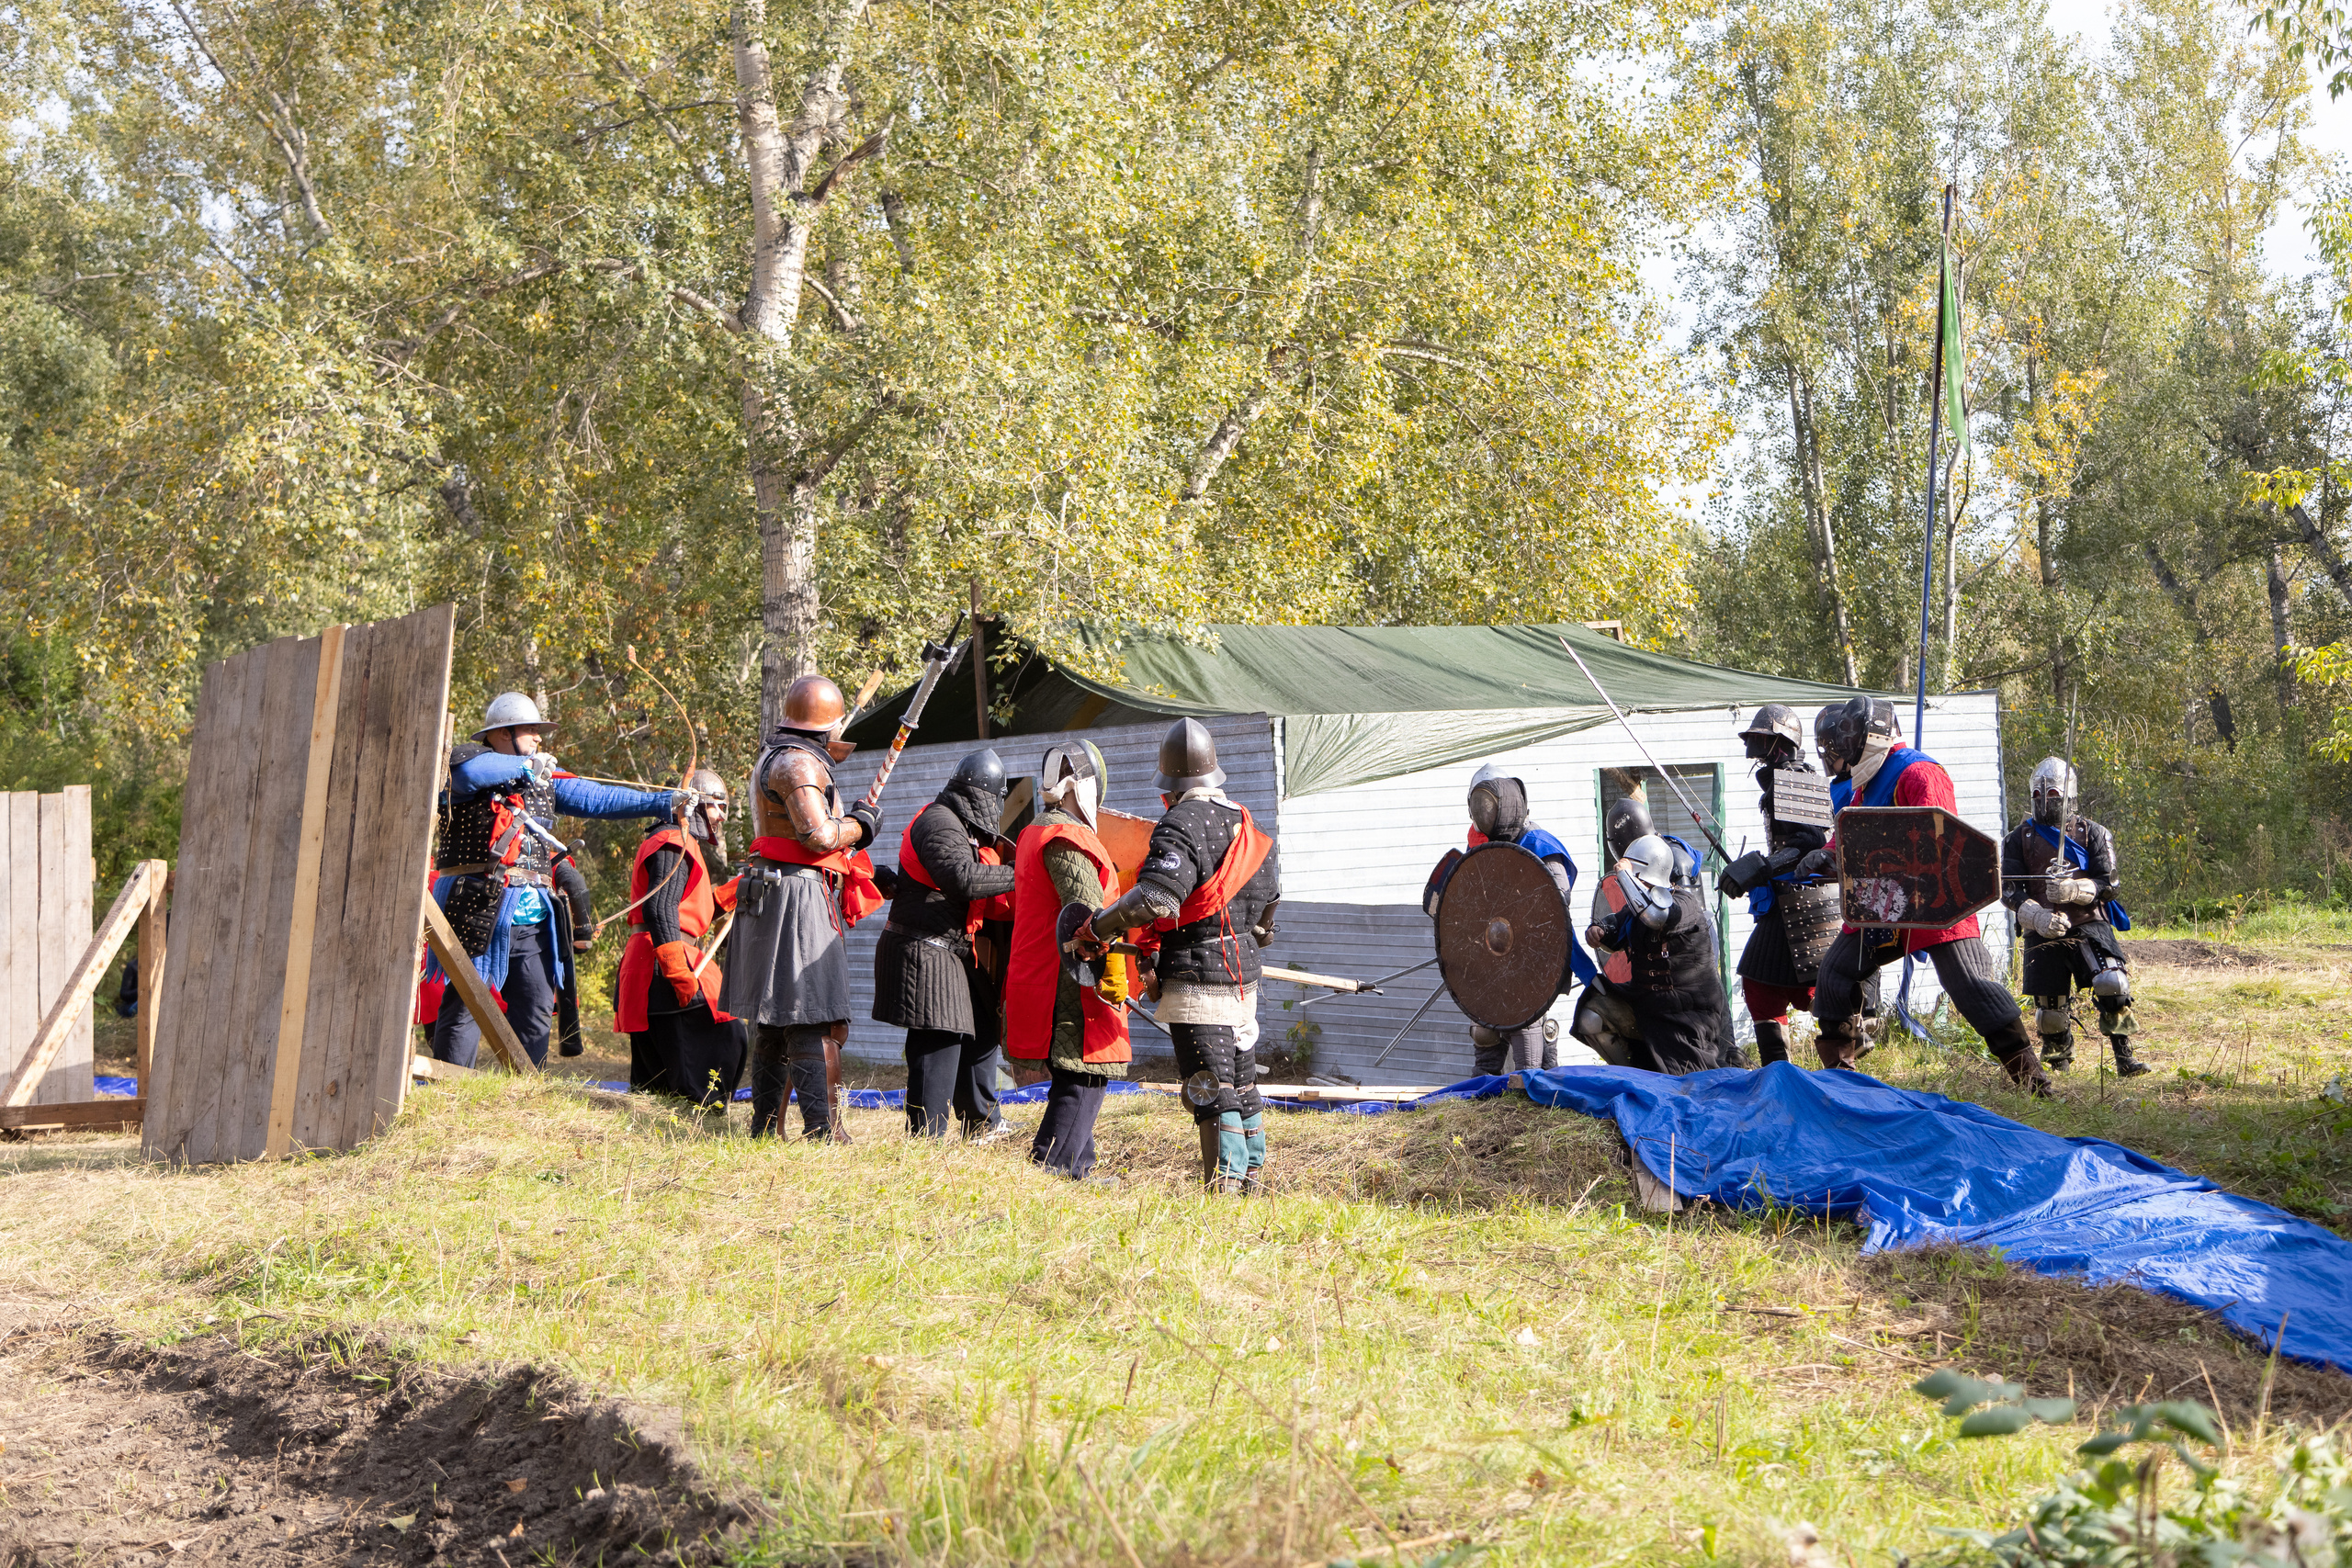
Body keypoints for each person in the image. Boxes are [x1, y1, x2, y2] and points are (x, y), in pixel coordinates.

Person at [1799, 697, 2051, 1094]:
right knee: (1834, 977)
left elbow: (1939, 843)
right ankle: (1842, 1083)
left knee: (1971, 986)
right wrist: (1828, 855)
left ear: (1871, 736)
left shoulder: (1919, 772)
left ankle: (2033, 1080)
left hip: (1936, 900)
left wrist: (1859, 859)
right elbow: (1858, 832)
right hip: (1883, 902)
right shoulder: (1871, 777)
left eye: (1848, 742)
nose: (1842, 753)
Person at [1072, 719, 1282, 1193]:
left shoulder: (1181, 823)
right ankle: (1252, 1180)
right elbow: (1268, 922)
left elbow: (1155, 900)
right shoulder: (1249, 825)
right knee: (1242, 1081)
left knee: (1209, 1083)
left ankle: (1223, 1188)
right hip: (1245, 976)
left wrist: (1098, 927)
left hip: (1197, 977)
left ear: (1170, 786)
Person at [429, 693, 681, 1068]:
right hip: (476, 903)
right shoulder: (466, 763)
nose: (538, 738)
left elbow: (598, 797)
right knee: (466, 1005)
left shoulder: (542, 778)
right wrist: (529, 765)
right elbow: (471, 775)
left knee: (535, 1008)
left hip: (532, 915)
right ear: (502, 734)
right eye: (530, 730)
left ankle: (524, 1096)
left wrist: (666, 802)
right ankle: (447, 1092)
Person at [726, 675, 886, 1142]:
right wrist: (859, 826)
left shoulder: (785, 756)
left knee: (776, 1019)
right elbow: (817, 836)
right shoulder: (797, 765)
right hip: (794, 893)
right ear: (823, 727)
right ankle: (822, 1130)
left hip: (775, 889)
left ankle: (764, 1129)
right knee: (810, 1013)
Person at [875, 748, 1019, 1136]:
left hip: (950, 949)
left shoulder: (957, 824)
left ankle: (982, 1122)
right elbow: (963, 879)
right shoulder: (938, 821)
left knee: (982, 1028)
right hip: (922, 948)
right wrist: (1019, 872)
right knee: (938, 1038)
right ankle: (926, 1137)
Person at [1005, 741, 1131, 1179]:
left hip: (1046, 967)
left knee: (1076, 1067)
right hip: (1070, 971)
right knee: (1086, 1069)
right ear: (1083, 789)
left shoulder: (1034, 830)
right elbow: (1089, 917)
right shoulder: (1066, 837)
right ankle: (1053, 1164)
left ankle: (1079, 1165)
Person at [1447, 762, 1596, 1074]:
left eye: (1488, 804)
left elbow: (1555, 904)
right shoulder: (1481, 843)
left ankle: (1537, 1091)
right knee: (1486, 1027)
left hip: (1535, 956)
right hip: (1493, 952)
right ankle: (1483, 1098)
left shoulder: (1539, 844)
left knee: (1527, 1025)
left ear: (1506, 802)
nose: (1483, 811)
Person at [2002, 758, 2146, 1077]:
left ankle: (2124, 1056)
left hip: (2088, 923)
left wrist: (2075, 890)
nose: (2045, 800)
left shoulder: (2093, 833)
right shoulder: (2017, 839)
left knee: (2113, 983)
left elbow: (2110, 884)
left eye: (2053, 793)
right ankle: (2058, 1061)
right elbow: (2008, 889)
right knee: (2050, 1009)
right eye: (2039, 795)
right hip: (2042, 927)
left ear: (2068, 794)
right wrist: (2036, 915)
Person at [1715, 705, 1838, 1067]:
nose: (1755, 746)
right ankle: (1785, 1071)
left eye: (1762, 739)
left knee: (1775, 986)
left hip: (1801, 900)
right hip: (1789, 900)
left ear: (1781, 743)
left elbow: (1810, 841)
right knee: (1781, 988)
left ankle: (1840, 1051)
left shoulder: (1795, 778)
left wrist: (1762, 867)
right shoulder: (1785, 778)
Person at [616, 769, 745, 1104]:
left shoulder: (675, 842)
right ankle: (696, 1125)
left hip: (652, 960)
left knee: (655, 1084)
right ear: (696, 804)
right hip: (662, 965)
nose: (720, 817)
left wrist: (739, 889)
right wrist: (678, 973)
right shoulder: (674, 841)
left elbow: (689, 909)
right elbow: (660, 909)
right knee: (724, 1039)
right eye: (717, 806)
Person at [1582, 832, 1735, 1074]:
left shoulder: (1685, 904)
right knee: (1591, 1015)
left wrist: (1625, 874)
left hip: (1686, 1015)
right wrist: (1598, 931)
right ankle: (1636, 1076)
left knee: (1690, 1082)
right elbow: (1615, 927)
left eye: (1635, 877)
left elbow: (1658, 916)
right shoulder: (1635, 909)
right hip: (1645, 1006)